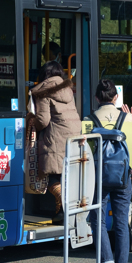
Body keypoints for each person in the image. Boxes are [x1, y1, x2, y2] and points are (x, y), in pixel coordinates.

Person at [88, 79, 132, 263]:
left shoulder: (89, 120)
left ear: (97, 98)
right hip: (124, 177)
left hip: (98, 179)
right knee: (122, 220)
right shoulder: (127, 119)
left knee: (97, 219)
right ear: (115, 98)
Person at [31, 61, 82, 219]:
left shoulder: (44, 91)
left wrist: (30, 122)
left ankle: (63, 200)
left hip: (56, 137)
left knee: (53, 177)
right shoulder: (67, 89)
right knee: (63, 176)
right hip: (73, 136)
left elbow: (43, 120)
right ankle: (61, 215)